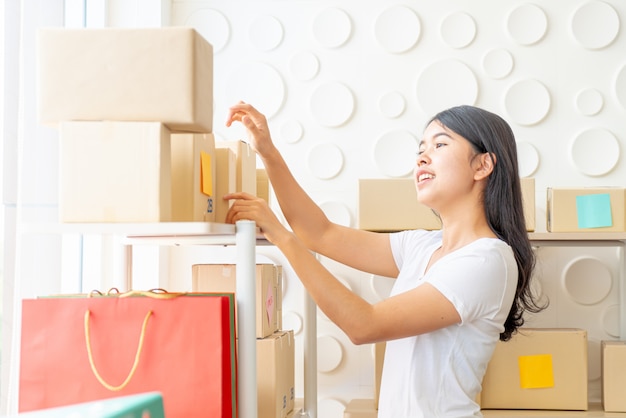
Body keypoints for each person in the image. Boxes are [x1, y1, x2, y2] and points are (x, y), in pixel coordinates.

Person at [224, 101, 546, 417]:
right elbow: (319, 234)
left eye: (440, 144)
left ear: (482, 165)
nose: (422, 157)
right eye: (420, 148)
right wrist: (268, 152)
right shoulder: (421, 245)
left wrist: (281, 237)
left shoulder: (487, 260)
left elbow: (364, 325)